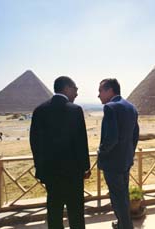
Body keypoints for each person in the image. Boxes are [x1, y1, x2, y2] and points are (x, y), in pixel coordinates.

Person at [30, 76, 91, 229]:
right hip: (73, 173)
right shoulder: (75, 110)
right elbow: (81, 143)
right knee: (76, 212)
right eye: (75, 89)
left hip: (50, 173)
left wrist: (40, 169)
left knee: (54, 212)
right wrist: (85, 167)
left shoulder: (39, 110)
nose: (76, 93)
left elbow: (34, 143)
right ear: (67, 88)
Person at [97, 78, 139, 229]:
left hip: (112, 162)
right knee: (123, 195)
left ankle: (126, 226)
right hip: (125, 161)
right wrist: (128, 153)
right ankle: (122, 223)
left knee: (117, 197)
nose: (98, 95)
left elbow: (111, 138)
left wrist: (101, 151)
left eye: (100, 91)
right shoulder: (132, 107)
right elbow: (135, 136)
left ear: (110, 90)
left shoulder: (110, 107)